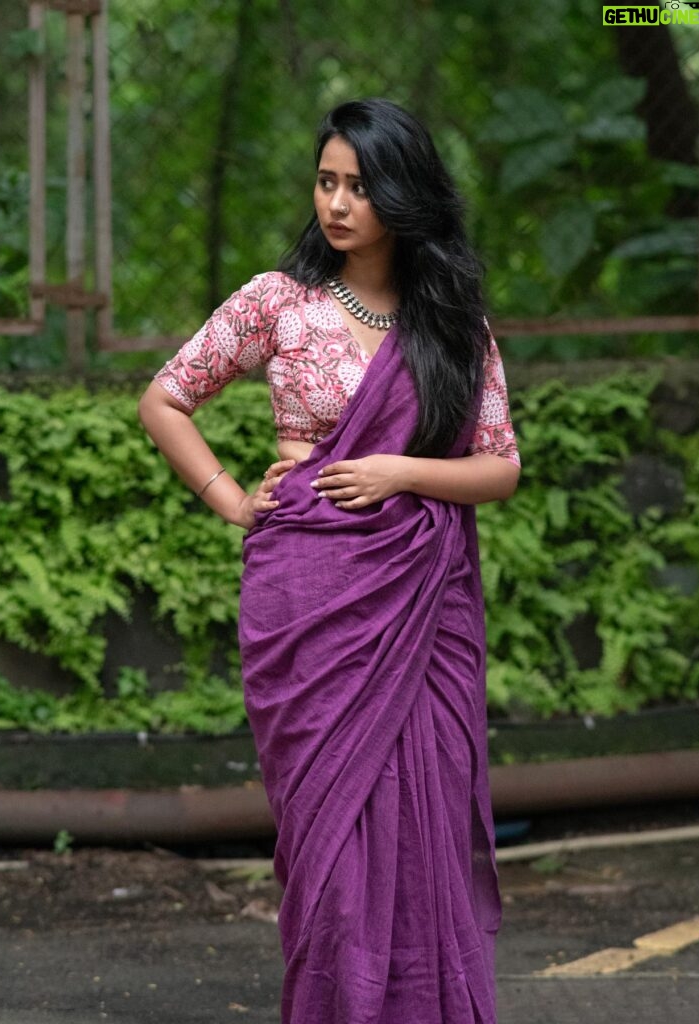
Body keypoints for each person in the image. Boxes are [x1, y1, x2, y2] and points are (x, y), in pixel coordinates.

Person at [138, 97, 520, 1024]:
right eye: (326, 181)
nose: (338, 203)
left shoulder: (450, 325)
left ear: (404, 193)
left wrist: (399, 470)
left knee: (422, 824)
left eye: (360, 185)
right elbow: (164, 400)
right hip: (306, 599)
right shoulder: (278, 302)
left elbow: (499, 468)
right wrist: (231, 499)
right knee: (329, 835)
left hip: (421, 603)